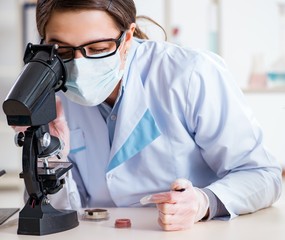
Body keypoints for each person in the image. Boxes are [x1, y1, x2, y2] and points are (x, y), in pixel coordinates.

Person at [20, 0, 283, 231]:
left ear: (128, 37)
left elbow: (263, 174)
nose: (78, 66)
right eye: (62, 52)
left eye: (98, 49)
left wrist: (205, 202)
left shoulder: (190, 74)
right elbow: (61, 213)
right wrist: (48, 157)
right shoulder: (53, 92)